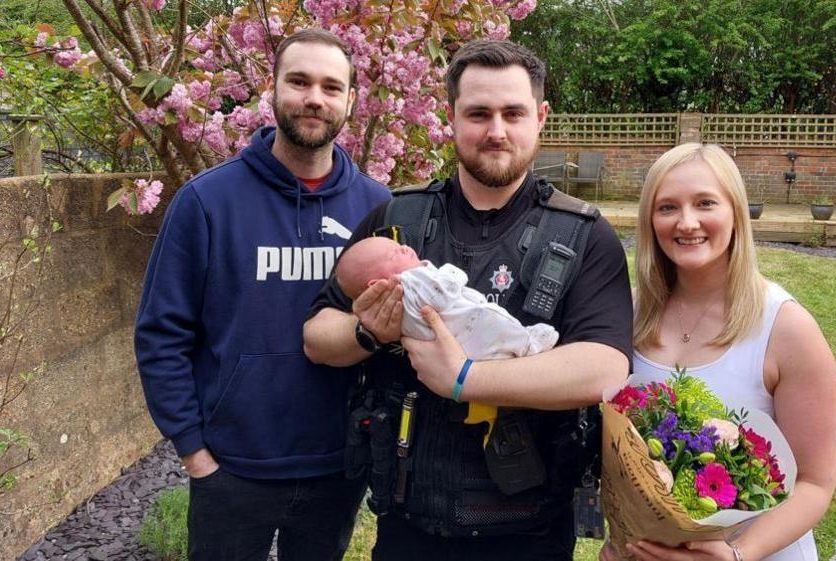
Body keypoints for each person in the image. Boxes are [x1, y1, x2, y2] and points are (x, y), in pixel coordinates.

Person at [303, 40, 633, 560]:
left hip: (529, 535)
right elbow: (317, 336)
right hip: (407, 528)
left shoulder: (583, 237)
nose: (496, 131)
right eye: (478, 113)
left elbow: (605, 367)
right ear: (451, 115)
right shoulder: (396, 222)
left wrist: (464, 378)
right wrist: (366, 332)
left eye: (513, 113)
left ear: (540, 117)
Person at [134, 29, 391, 561]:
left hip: (335, 468)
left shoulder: (378, 207)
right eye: (298, 81)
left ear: (349, 101)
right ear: (271, 89)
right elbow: (161, 334)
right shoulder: (206, 202)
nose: (314, 98)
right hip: (232, 470)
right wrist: (194, 451)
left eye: (330, 86)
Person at [601, 143, 836, 561]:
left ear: (736, 212)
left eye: (705, 203)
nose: (686, 222)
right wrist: (622, 535)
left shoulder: (786, 328)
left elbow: (816, 483)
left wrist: (737, 554)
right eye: (667, 207)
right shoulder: (630, 314)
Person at [334, 236, 559, 358]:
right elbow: (443, 292)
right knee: (496, 319)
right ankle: (528, 343)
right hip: (473, 325)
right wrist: (452, 272)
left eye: (399, 245)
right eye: (394, 253)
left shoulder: (401, 305)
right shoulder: (410, 282)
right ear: (376, 285)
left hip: (462, 349)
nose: (404, 247)